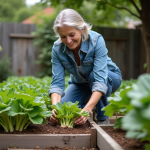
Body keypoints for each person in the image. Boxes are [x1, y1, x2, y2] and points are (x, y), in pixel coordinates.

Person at [49, 8, 122, 125]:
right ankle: (91, 102)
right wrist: (55, 108)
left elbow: (100, 80)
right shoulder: (57, 48)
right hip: (80, 83)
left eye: (72, 35)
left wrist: (87, 110)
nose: (68, 40)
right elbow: (57, 83)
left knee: (94, 75)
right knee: (64, 107)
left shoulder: (96, 40)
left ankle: (103, 119)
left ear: (81, 29)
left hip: (110, 79)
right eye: (63, 36)